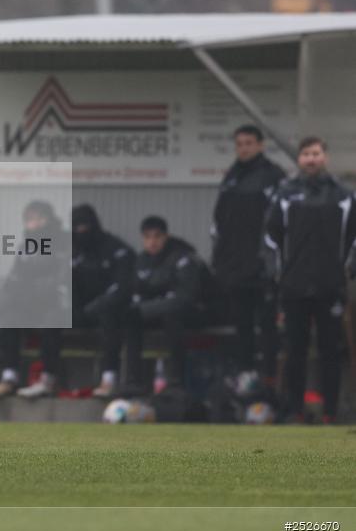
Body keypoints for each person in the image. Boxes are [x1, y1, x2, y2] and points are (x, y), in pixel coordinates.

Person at [264, 136, 356, 423]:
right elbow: (270, 237)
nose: (311, 159)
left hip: (331, 286)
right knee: (295, 351)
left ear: (325, 157)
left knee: (331, 350)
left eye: (316, 153)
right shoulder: (285, 195)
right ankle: (295, 411)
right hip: (294, 287)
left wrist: (348, 270)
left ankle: (331, 411)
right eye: (306, 154)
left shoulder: (344, 195)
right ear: (299, 159)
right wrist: (278, 273)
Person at [212, 125, 286, 383]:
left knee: (268, 326)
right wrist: (220, 261)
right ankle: (245, 376)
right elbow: (219, 222)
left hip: (262, 268)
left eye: (249, 143)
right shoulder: (231, 177)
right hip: (234, 268)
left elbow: (280, 224)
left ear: (260, 145)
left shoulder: (273, 176)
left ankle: (269, 380)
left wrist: (272, 263)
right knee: (241, 325)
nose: (244, 148)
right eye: (240, 144)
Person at [0, 201, 67, 399]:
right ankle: (9, 378)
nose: (35, 223)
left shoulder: (63, 242)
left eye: (40, 218)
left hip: (56, 305)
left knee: (51, 321)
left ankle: (48, 380)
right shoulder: (26, 246)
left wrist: (28, 291)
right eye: (30, 219)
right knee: (8, 319)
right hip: (28, 305)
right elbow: (14, 280)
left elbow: (61, 280)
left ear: (49, 219)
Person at [127, 216, 206, 390]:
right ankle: (132, 381)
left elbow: (185, 298)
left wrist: (147, 308)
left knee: (173, 317)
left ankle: (175, 381)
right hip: (157, 311)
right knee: (130, 320)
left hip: (194, 313)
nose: (152, 242)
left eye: (157, 236)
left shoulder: (183, 258)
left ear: (166, 236)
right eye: (147, 237)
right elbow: (137, 292)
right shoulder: (142, 261)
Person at [69, 204, 135, 398]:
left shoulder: (116, 248)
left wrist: (97, 306)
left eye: (84, 227)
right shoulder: (73, 252)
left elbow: (123, 287)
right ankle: (47, 378)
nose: (80, 232)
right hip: (82, 311)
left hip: (110, 311)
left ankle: (109, 379)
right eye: (76, 228)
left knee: (111, 318)